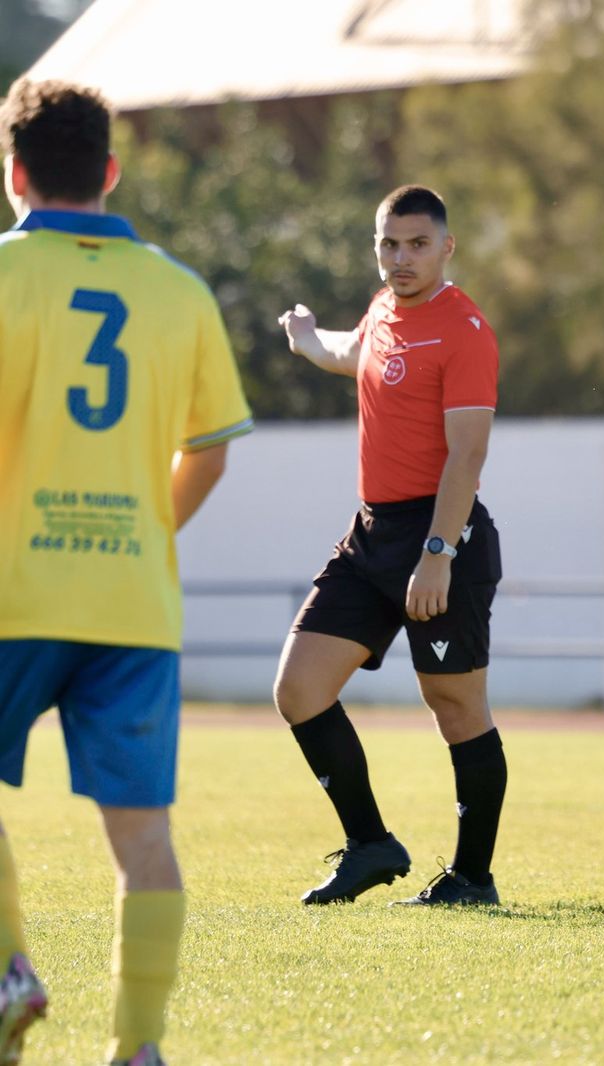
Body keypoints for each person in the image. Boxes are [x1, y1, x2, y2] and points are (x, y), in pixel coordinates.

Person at [0, 80, 253, 1066]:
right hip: (133, 601)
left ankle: (11, 973)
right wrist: (146, 530)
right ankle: (139, 1047)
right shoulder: (180, 290)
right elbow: (212, 449)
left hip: (14, 592)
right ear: (108, 171)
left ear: (14, 174)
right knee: (144, 838)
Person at [275, 184, 506, 908]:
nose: (401, 258)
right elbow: (359, 352)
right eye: (389, 244)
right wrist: (310, 341)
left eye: (416, 244)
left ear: (446, 247)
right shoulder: (382, 310)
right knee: (299, 691)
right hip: (370, 533)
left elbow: (466, 456)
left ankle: (473, 878)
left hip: (441, 532)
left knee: (454, 706)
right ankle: (371, 844)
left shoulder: (464, 329)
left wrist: (437, 552)